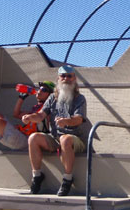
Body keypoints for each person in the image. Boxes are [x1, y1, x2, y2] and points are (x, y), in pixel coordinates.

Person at [22, 65, 89, 196]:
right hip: (55, 138)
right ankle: (37, 176)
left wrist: (67, 121)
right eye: (63, 76)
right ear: (58, 78)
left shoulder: (80, 98)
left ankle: (67, 179)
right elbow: (41, 115)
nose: (66, 79)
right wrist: (30, 117)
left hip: (75, 139)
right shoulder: (52, 98)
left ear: (74, 78)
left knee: (65, 139)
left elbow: (79, 119)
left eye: (69, 76)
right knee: (33, 138)